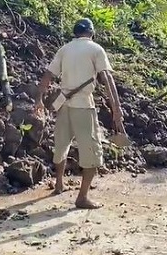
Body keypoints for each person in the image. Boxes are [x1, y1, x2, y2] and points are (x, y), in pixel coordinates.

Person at [34, 18, 124, 209]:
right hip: (83, 105)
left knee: (61, 145)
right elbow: (107, 78)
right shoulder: (95, 49)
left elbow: (48, 75)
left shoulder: (64, 49)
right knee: (91, 152)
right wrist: (116, 108)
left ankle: (59, 184)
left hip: (64, 104)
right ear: (91, 32)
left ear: (75, 33)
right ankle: (82, 198)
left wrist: (38, 100)